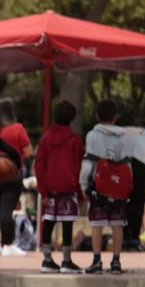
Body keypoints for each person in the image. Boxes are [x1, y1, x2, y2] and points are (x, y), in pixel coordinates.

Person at [34, 101, 86, 273]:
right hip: (68, 187)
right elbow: (78, 166)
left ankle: (47, 260)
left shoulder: (45, 138)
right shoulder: (75, 140)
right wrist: (79, 190)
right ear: (72, 118)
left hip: (49, 187)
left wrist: (43, 190)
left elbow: (39, 165)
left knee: (48, 222)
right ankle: (66, 260)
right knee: (67, 223)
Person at [80, 100, 129, 274]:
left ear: (97, 116)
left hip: (98, 185)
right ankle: (116, 261)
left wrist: (83, 183)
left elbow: (89, 161)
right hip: (118, 187)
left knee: (97, 224)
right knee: (117, 224)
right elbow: (126, 163)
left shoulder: (92, 135)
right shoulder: (124, 135)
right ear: (115, 117)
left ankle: (96, 260)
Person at [0, 94, 32, 258]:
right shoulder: (17, 128)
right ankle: (8, 244)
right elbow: (28, 152)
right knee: (6, 210)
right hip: (12, 174)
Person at [120, 121, 145, 252]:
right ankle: (134, 239)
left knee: (123, 204)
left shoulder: (121, 132)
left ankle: (124, 237)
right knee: (138, 205)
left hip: (123, 167)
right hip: (141, 168)